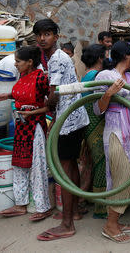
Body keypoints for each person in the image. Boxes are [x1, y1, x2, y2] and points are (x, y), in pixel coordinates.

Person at [34, 18, 89, 241]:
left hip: (68, 122)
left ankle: (67, 224)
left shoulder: (56, 59)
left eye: (47, 34)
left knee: (65, 170)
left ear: (56, 37)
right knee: (71, 166)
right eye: (39, 34)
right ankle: (74, 212)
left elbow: (54, 95)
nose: (42, 38)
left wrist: (43, 110)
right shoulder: (54, 58)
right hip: (75, 119)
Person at [93, 41, 130, 243]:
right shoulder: (106, 76)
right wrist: (109, 94)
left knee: (128, 177)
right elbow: (97, 109)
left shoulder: (129, 76)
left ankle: (115, 221)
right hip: (116, 132)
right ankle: (110, 225)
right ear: (126, 55)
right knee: (123, 177)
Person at [0, 46, 52, 221]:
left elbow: (50, 105)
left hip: (35, 127)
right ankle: (20, 204)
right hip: (21, 127)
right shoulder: (22, 76)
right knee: (20, 165)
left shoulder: (42, 78)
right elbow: (25, 95)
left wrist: (31, 113)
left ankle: (43, 207)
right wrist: (9, 96)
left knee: (37, 167)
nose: (15, 64)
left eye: (18, 61)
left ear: (29, 62)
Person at [80, 44, 107, 219]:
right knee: (101, 164)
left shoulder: (86, 75)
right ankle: (100, 208)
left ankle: (86, 199)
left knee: (91, 163)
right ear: (99, 58)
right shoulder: (97, 76)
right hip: (95, 124)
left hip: (87, 124)